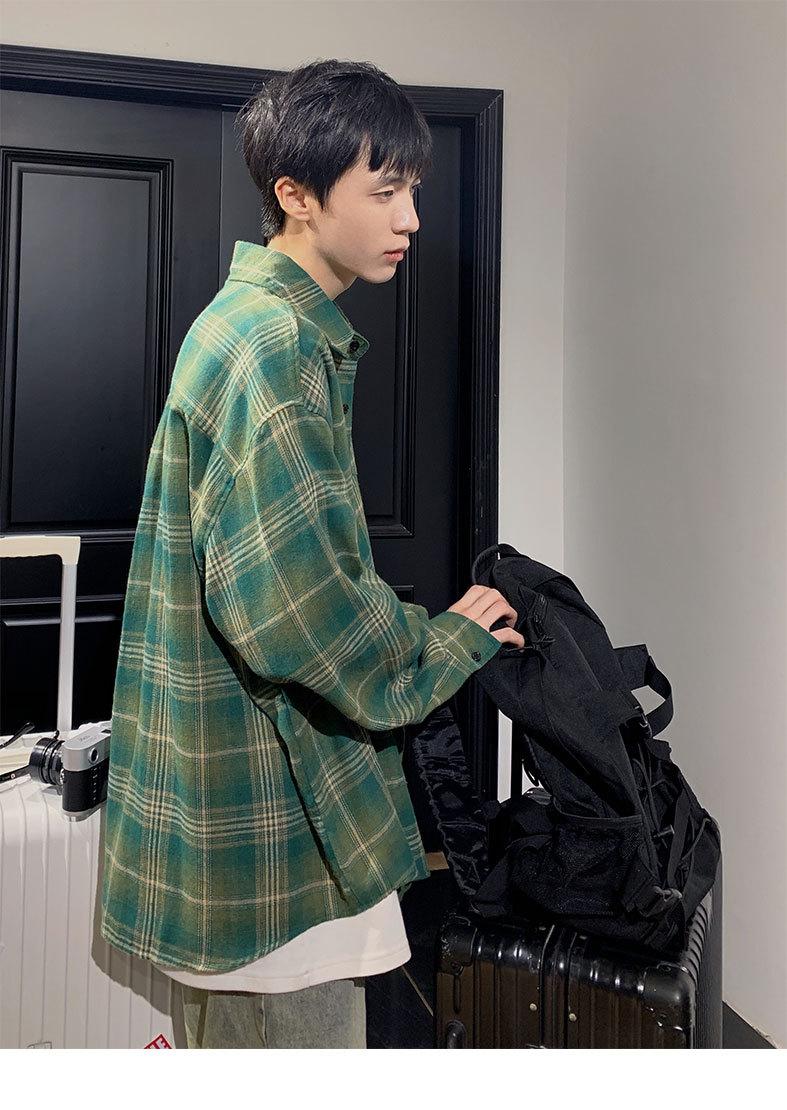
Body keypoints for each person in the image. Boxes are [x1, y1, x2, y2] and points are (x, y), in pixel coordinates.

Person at [98, 57, 524, 1050]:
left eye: (412, 189)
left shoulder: (250, 324)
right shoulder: (275, 344)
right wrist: (444, 643)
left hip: (237, 816)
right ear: (295, 195)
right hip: (271, 828)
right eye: (383, 191)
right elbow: (293, 614)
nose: (409, 218)